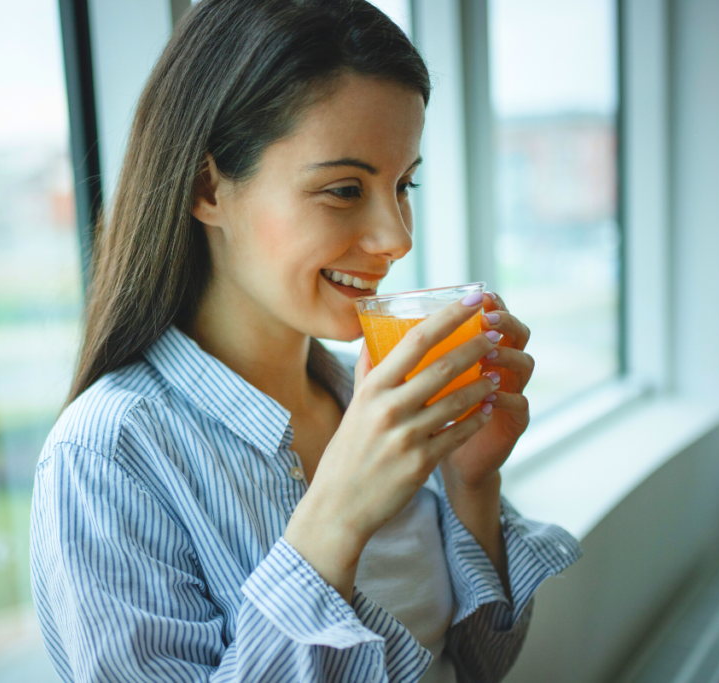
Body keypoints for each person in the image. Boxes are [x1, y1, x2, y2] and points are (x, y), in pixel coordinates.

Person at [31, 1, 582, 681]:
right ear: (209, 187)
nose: (397, 238)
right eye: (345, 189)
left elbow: (477, 664)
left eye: (403, 184)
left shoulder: (377, 401)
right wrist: (334, 522)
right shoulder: (110, 456)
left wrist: (474, 480)